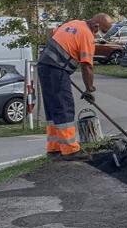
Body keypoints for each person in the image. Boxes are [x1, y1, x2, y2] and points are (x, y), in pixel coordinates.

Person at [37, 13, 113, 160]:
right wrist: (89, 89)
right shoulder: (87, 35)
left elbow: (57, 37)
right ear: (96, 26)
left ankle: (54, 148)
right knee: (64, 106)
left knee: (53, 108)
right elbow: (87, 67)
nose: (99, 34)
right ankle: (70, 150)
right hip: (56, 69)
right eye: (102, 31)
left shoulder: (73, 23)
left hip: (44, 66)